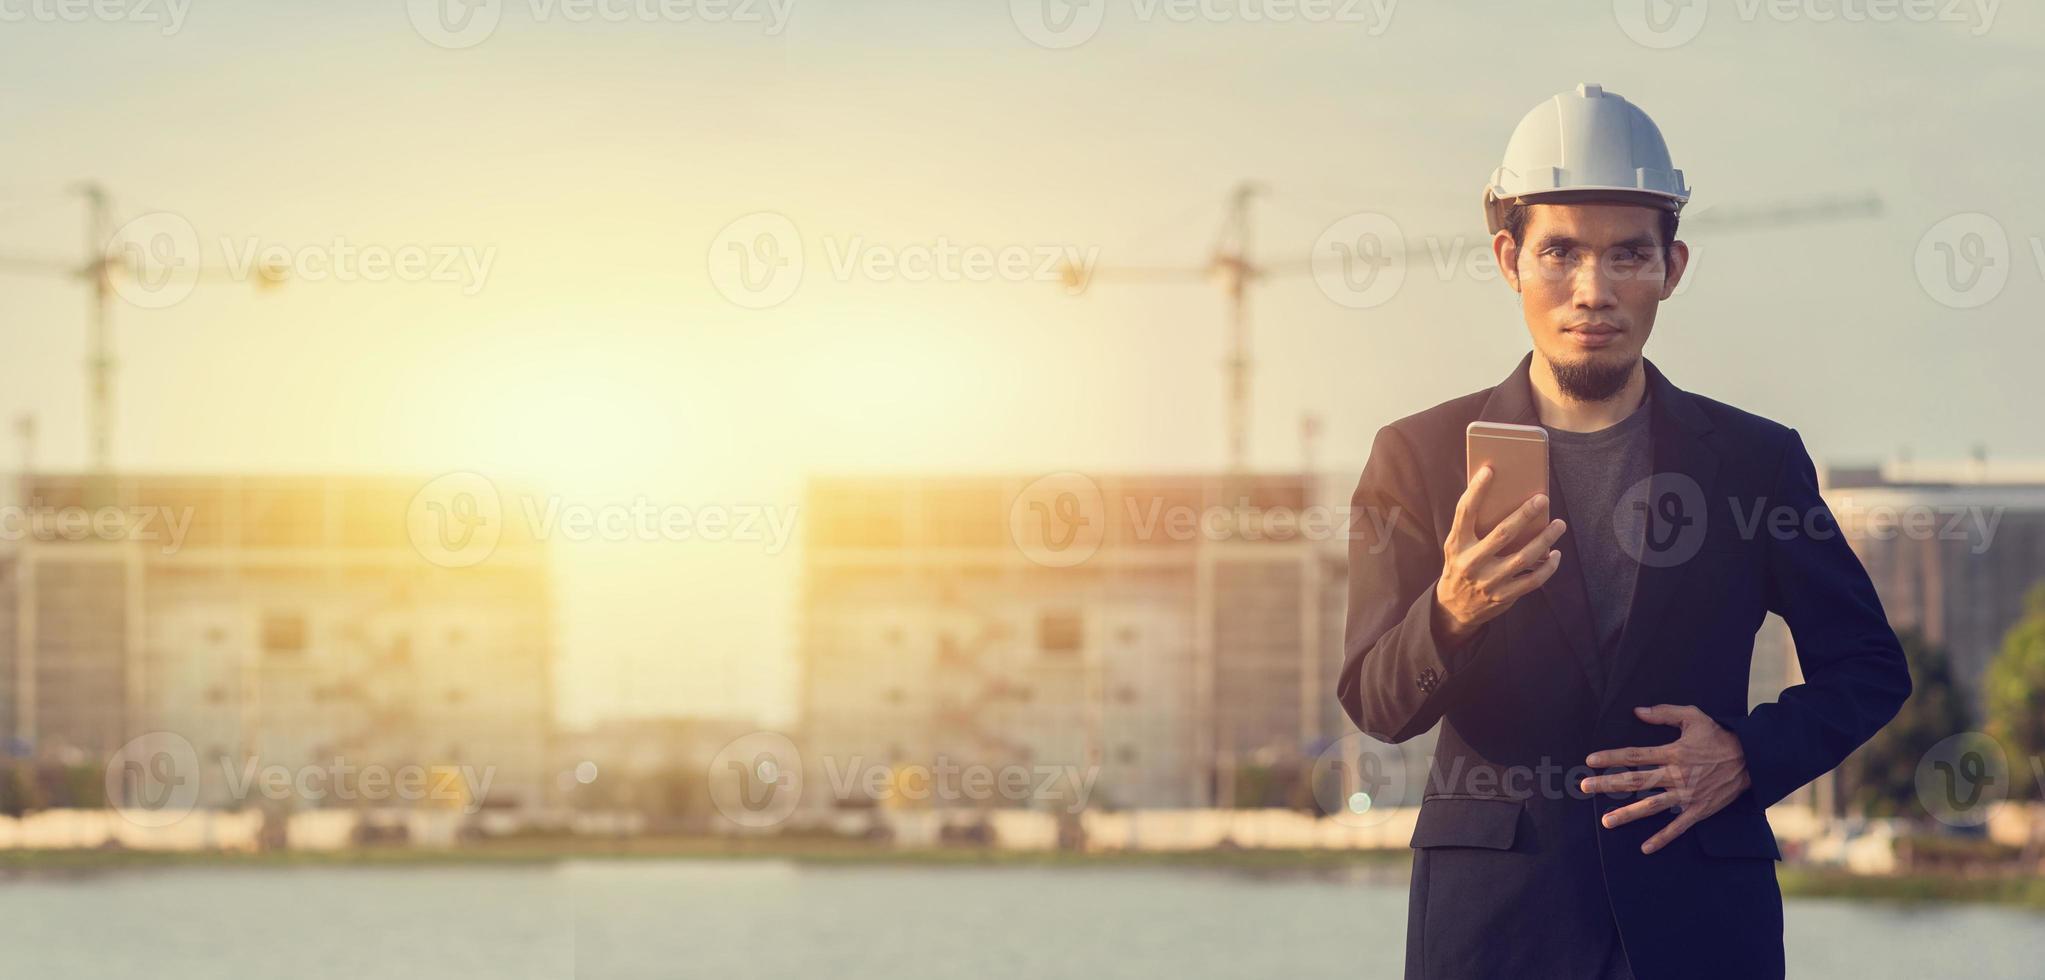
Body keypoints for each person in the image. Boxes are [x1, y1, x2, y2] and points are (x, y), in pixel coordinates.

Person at [1334, 83, 1912, 980]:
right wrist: (1448, 611)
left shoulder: (1755, 461)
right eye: (1558, 252)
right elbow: (1376, 703)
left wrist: (1745, 756)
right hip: (1494, 931)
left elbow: (1869, 667)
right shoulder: (1415, 456)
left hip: (1701, 924)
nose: (1591, 291)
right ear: (1507, 260)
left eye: (1626, 255)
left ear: (1670, 269)